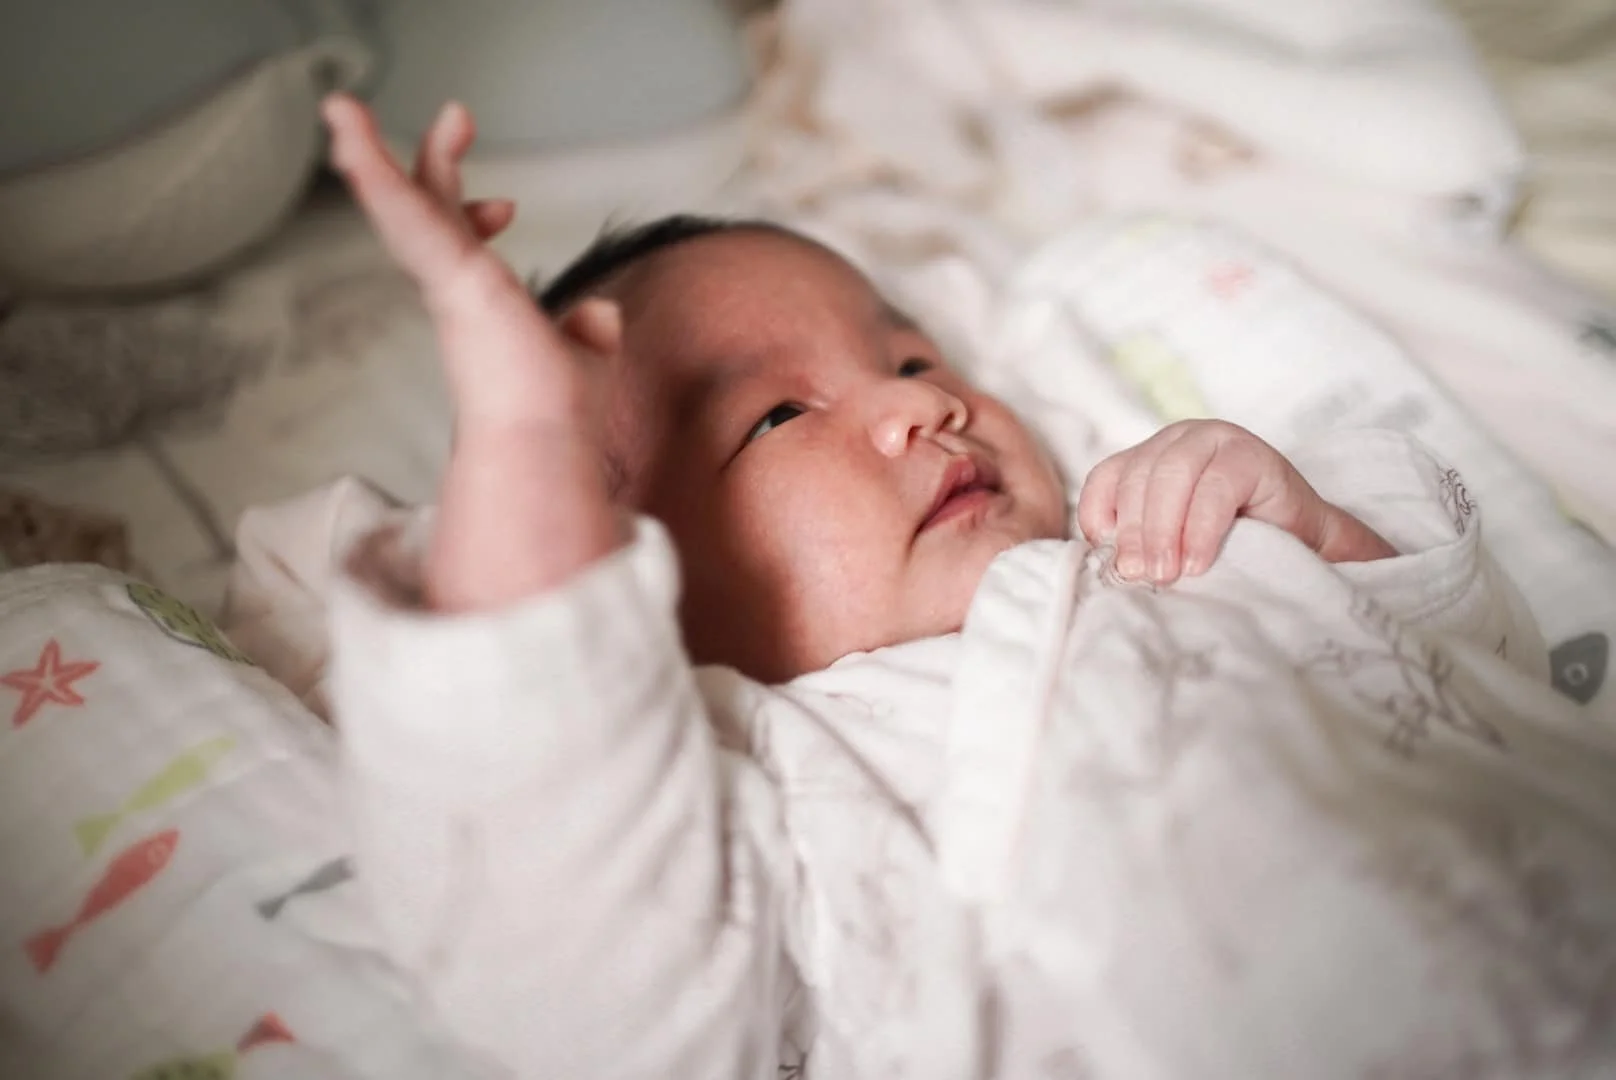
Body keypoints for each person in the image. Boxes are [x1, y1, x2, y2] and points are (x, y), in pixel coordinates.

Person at [230, 94, 1616, 1078]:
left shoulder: (1166, 555)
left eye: (909, 359)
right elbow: (554, 908)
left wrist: (1312, 527)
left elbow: (1486, 675)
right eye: (774, 419)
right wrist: (527, 434)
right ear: (637, 603)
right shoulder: (779, 796)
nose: (919, 412)